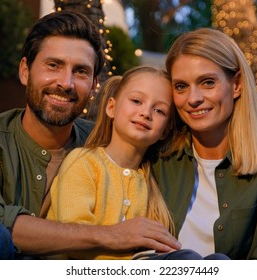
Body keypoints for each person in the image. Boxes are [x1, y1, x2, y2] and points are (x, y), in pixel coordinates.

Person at [0, 10, 180, 260]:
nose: (66, 83)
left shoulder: (107, 142)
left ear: (94, 85)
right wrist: (112, 235)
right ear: (25, 71)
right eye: (54, 65)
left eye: (81, 71)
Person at [45, 65, 229, 260]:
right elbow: (75, 239)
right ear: (112, 108)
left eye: (159, 110)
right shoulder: (83, 162)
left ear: (165, 131)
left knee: (219, 261)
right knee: (188, 260)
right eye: (136, 101)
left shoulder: (149, 180)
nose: (146, 113)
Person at [151, 28, 257, 260]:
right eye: (181, 86)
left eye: (207, 82)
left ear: (237, 85)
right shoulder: (157, 158)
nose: (193, 99)